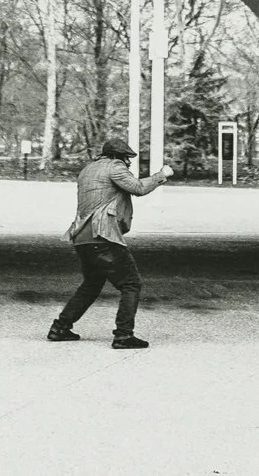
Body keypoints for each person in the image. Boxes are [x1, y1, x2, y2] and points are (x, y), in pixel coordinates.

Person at [47, 136, 173, 349]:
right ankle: (123, 335)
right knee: (131, 284)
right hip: (102, 235)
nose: (128, 163)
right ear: (116, 156)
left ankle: (60, 328)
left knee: (91, 284)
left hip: (82, 237)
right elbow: (138, 188)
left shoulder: (87, 170)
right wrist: (162, 175)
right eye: (126, 158)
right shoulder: (114, 166)